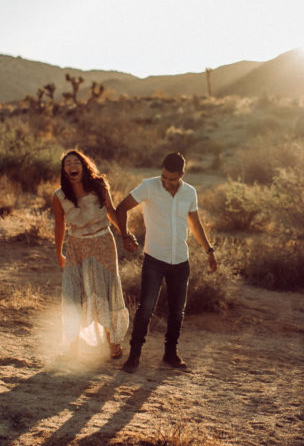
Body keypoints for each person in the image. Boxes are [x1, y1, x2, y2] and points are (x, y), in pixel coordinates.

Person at [116, 152, 218, 373]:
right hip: (155, 258)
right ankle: (134, 357)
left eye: (171, 178)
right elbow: (121, 208)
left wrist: (209, 251)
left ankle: (170, 355)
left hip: (181, 259)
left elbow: (195, 224)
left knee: (177, 311)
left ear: (181, 174)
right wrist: (125, 235)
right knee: (146, 308)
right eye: (163, 176)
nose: (166, 181)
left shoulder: (190, 192)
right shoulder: (149, 186)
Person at [52, 150, 129, 361]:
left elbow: (111, 212)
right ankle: (72, 346)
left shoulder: (99, 186)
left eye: (76, 161)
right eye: (68, 163)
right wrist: (59, 252)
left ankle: (113, 342)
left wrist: (125, 234)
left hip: (103, 242)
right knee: (73, 293)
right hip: (77, 246)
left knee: (105, 290)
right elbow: (59, 226)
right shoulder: (59, 196)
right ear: (64, 170)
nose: (72, 165)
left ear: (84, 166)